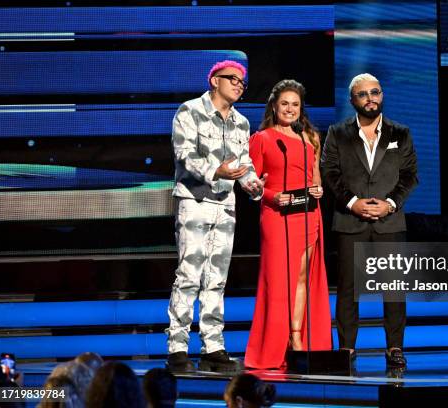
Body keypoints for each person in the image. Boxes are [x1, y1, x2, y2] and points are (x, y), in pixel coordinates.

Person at [165, 60, 265, 372]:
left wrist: (254, 185)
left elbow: (244, 163)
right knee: (189, 276)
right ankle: (177, 348)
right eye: (232, 79)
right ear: (214, 81)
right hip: (194, 201)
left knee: (216, 279)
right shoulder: (189, 110)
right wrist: (216, 170)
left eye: (242, 82)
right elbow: (184, 154)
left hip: (225, 206)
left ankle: (213, 346)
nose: (238, 84)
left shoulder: (241, 123)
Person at [321, 73, 418, 369]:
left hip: (389, 222)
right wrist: (354, 203)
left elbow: (410, 175)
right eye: (363, 94)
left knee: (394, 288)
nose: (370, 98)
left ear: (382, 95)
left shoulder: (401, 133)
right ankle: (348, 348)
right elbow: (330, 173)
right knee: (349, 290)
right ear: (353, 100)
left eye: (375, 92)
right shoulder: (337, 133)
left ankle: (394, 348)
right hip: (350, 222)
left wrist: (389, 204)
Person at [244, 79, 332, 369]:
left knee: (302, 279)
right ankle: (272, 347)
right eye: (285, 103)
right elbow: (250, 184)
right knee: (280, 282)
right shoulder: (262, 139)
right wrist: (270, 195)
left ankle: (296, 338)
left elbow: (315, 177)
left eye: (295, 104)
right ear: (274, 106)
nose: (290, 109)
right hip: (276, 216)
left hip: (308, 216)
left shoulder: (310, 137)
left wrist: (318, 190)